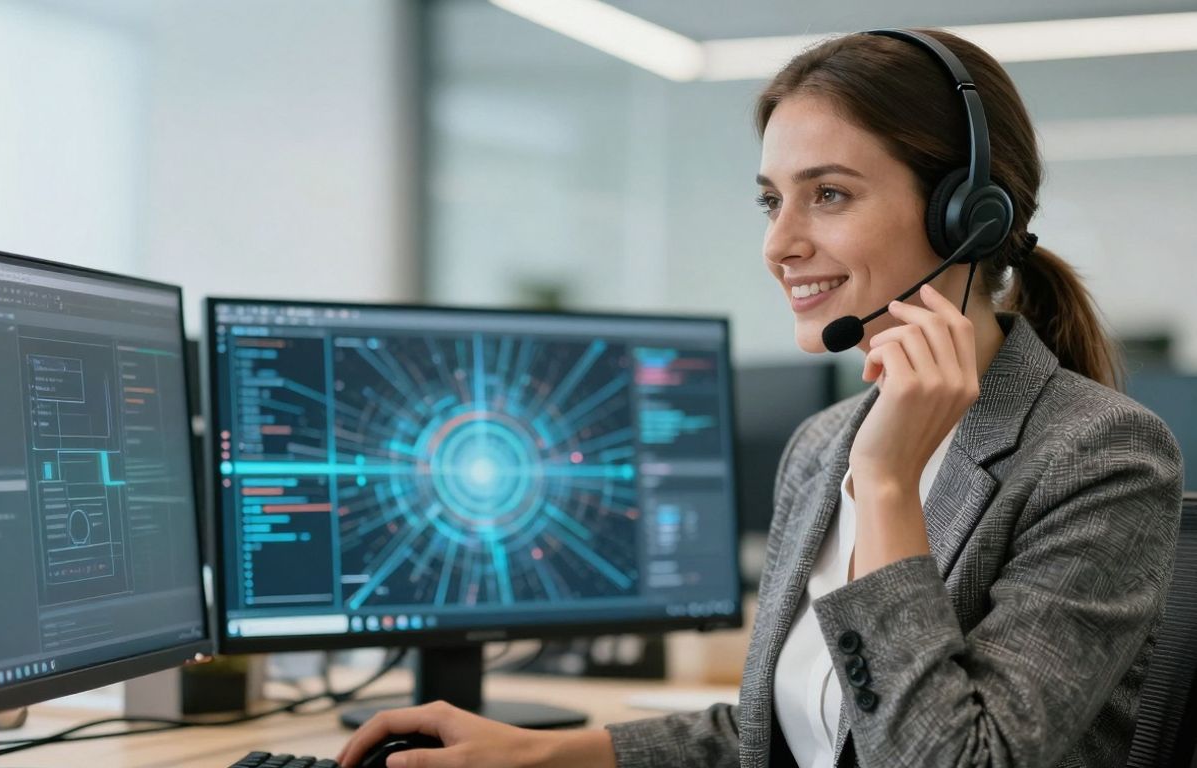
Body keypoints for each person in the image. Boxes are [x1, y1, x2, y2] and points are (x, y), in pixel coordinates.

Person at [336, 27, 1184, 768]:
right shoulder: (821, 447)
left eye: (829, 194)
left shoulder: (1099, 455)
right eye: (772, 201)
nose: (780, 244)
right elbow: (790, 732)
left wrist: (886, 484)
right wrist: (537, 753)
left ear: (968, 217)